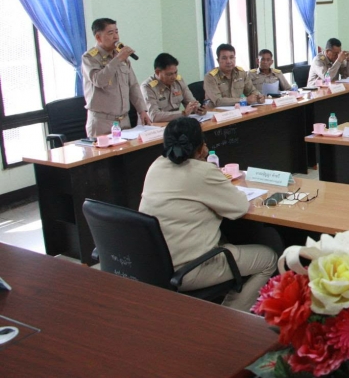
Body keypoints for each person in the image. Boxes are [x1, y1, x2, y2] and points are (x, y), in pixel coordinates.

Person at [139, 117, 277, 312]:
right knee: (268, 258)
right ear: (201, 147)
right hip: (190, 268)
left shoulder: (155, 166)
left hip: (155, 265)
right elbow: (240, 207)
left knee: (226, 240)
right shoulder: (202, 171)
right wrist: (204, 163)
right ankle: (230, 318)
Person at [82, 17, 151, 137]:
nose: (116, 37)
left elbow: (133, 85)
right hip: (102, 122)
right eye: (110, 33)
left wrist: (142, 110)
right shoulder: (90, 58)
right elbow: (99, 81)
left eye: (116, 32)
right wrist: (118, 59)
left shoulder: (121, 56)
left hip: (124, 120)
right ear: (98, 37)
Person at [141, 53, 205, 122]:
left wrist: (199, 109)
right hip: (156, 126)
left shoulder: (179, 81)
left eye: (175, 72)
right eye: (169, 74)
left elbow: (191, 102)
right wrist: (183, 113)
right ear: (157, 72)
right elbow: (154, 116)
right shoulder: (147, 86)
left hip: (176, 122)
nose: (174, 77)